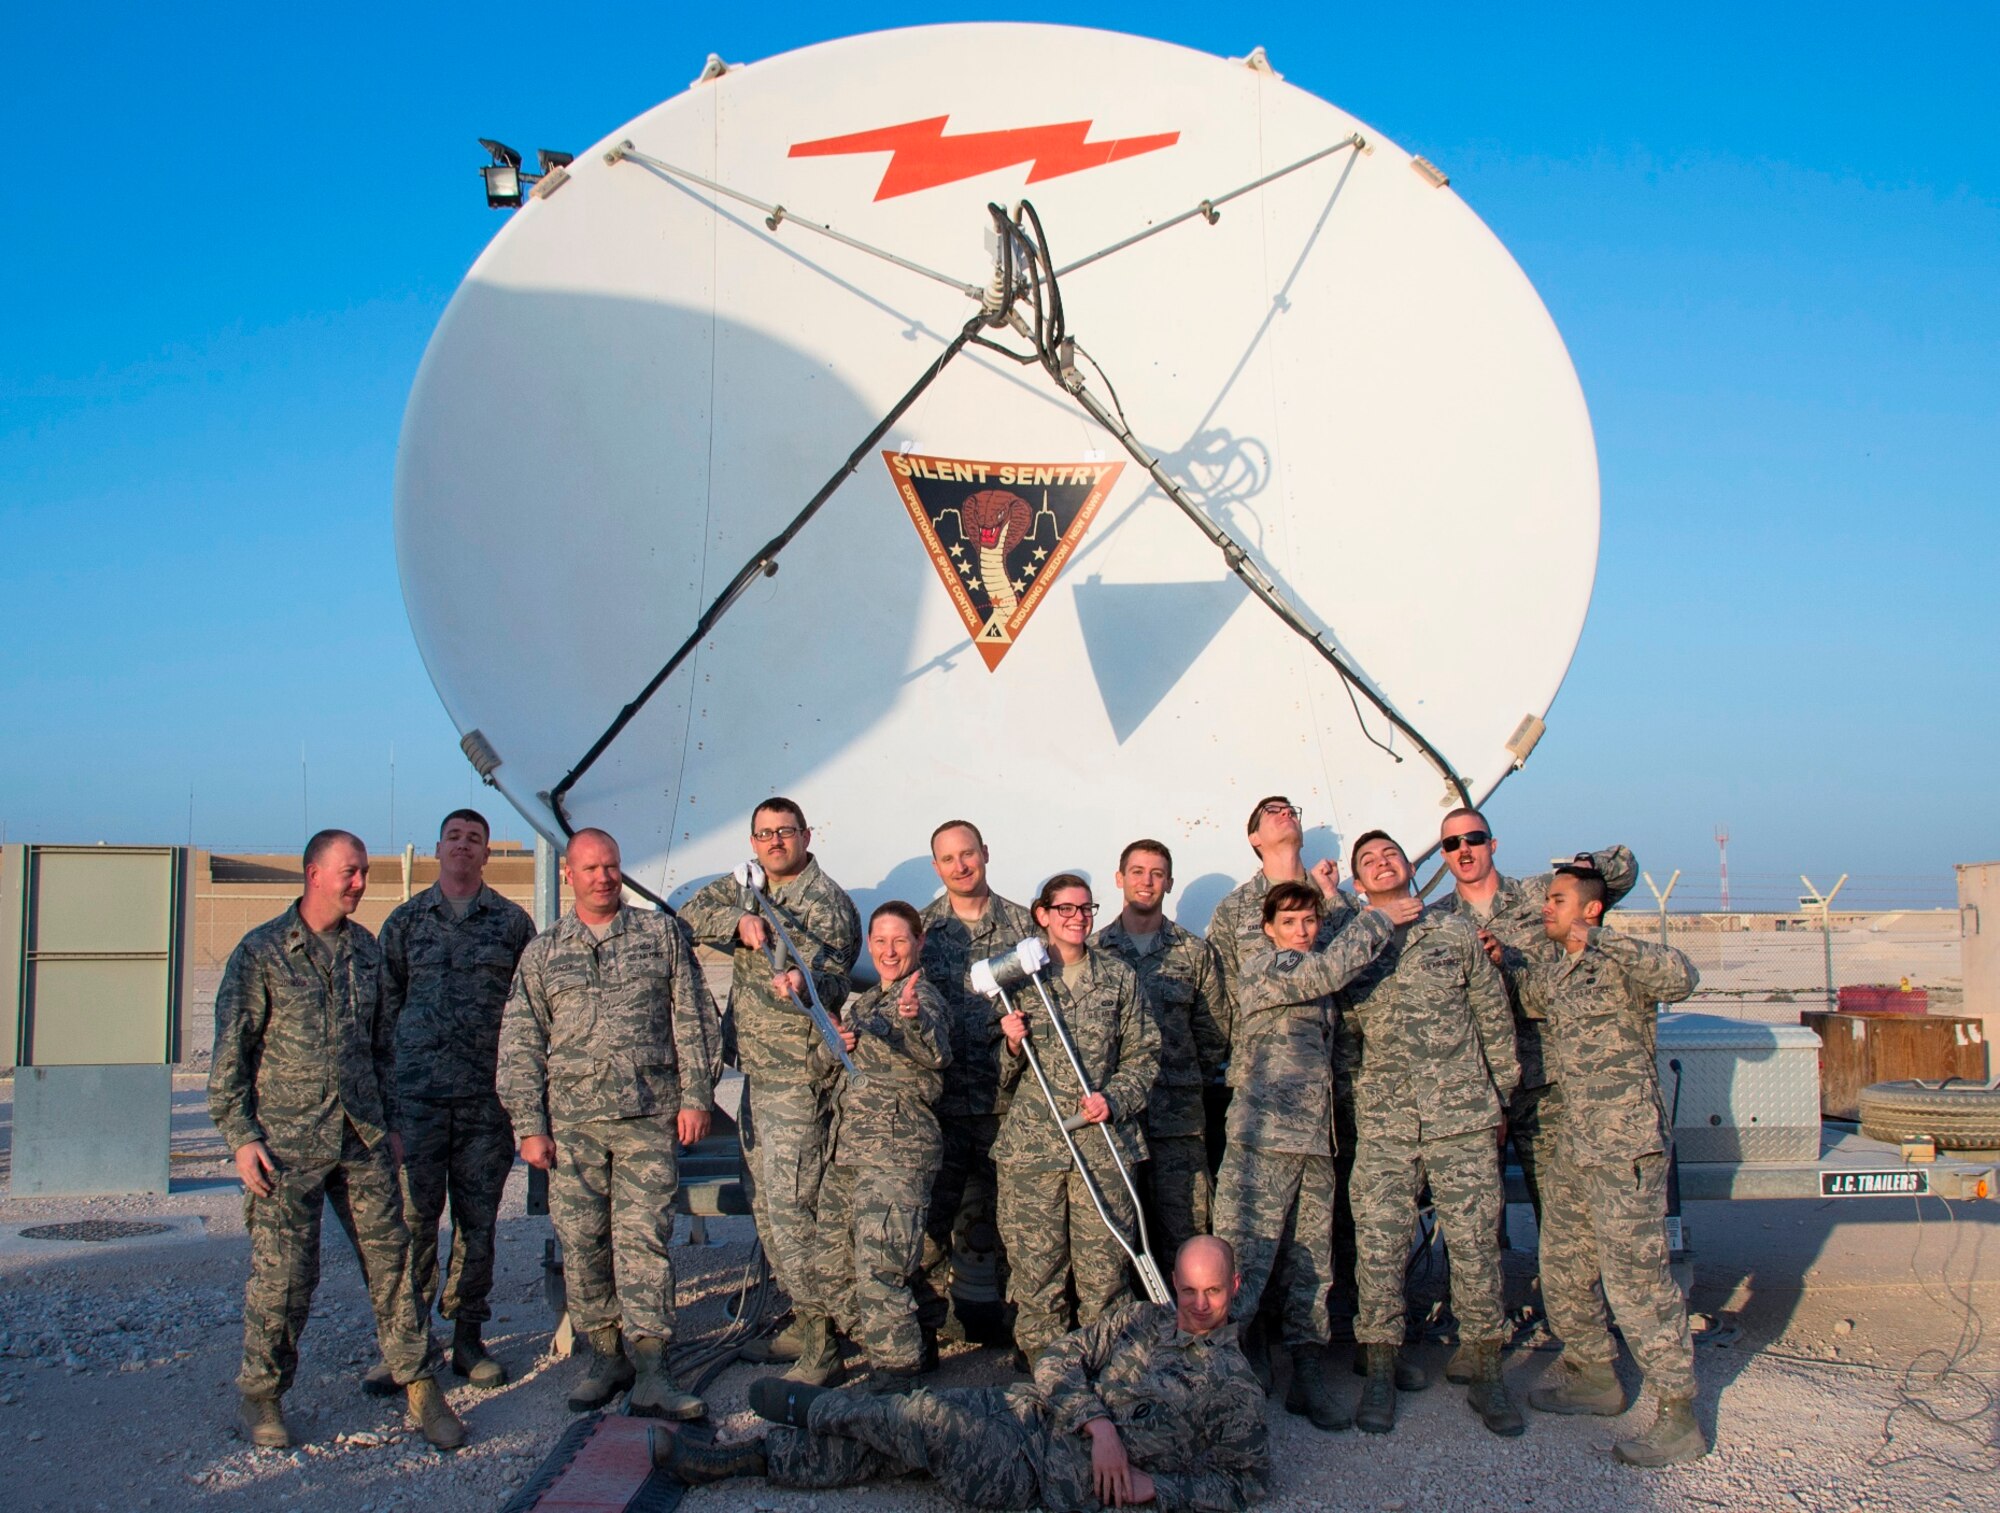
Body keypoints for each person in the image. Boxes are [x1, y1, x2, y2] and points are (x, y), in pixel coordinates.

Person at [655, 1236, 1269, 1512]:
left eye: (1213, 1292)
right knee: (888, 1449)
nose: (1198, 1305)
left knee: (926, 1418)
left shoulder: (1234, 1386)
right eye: (1189, 1289)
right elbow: (1057, 1360)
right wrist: (1099, 1425)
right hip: (1024, 1414)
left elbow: (1246, 1484)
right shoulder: (1139, 1320)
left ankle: (811, 1408)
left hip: (1038, 1474)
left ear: (1235, 1287)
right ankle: (742, 1460)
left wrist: (1158, 1489)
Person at [208, 829, 463, 1451]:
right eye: (349, 872)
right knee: (286, 1275)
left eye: (364, 872)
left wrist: (392, 1124)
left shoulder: (366, 952)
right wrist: (242, 1137)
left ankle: (420, 1384)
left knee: (394, 1263)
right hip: (285, 1145)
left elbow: (384, 1049)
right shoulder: (263, 952)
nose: (360, 883)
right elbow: (230, 1055)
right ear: (313, 874)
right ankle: (263, 1394)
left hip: (361, 1139)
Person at [497, 828, 720, 1419]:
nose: (604, 877)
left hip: (648, 1117)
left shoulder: (659, 935)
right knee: (583, 1243)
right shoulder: (543, 953)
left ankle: (652, 1368)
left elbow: (694, 1017)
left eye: (612, 866)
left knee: (644, 1242)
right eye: (591, 868)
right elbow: (521, 1041)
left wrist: (697, 1096)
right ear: (568, 875)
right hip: (574, 1128)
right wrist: (529, 1124)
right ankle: (605, 1357)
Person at [1427, 808, 1636, 1384]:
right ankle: (1481, 1339)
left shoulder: (1541, 897)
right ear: (1442, 855)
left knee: (1566, 1219)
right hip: (1477, 1091)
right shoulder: (1439, 920)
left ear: (1492, 844)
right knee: (1474, 1224)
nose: (1464, 849)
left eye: (1473, 838)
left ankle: (1586, 1346)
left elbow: (1620, 871)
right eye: (1452, 843)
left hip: (1547, 1085)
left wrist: (1582, 867)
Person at [1519, 865, 1708, 1466]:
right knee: (1563, 1264)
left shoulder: (1623, 963)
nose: (1546, 908)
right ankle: (1595, 1376)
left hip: (1625, 1145)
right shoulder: (1559, 973)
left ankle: (1679, 1413)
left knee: (1636, 1279)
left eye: (1557, 899)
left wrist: (1602, 940)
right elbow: (1525, 996)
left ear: (1591, 909)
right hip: (1576, 1143)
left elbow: (1682, 977)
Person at [1339, 830, 1522, 1437]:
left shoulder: (1455, 933)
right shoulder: (1354, 947)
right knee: (1380, 1247)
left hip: (1460, 1117)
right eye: (1369, 861)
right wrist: (1360, 1105)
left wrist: (1499, 1099)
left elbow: (1492, 1017)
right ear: (1358, 883)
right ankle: (1380, 1374)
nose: (1382, 863)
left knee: (1474, 1247)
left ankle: (1487, 1373)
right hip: (1387, 1123)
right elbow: (1345, 1041)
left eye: (1390, 854)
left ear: (1409, 866)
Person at [1215, 881, 1407, 1431]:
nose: (1301, 931)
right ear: (1269, 929)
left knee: (1311, 1270)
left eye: (1309, 920)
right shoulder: (1266, 967)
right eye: (1289, 921)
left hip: (1315, 1143)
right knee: (1243, 1267)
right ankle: (1216, 1382)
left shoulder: (1318, 975)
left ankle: (1307, 1374)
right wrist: (1379, 917)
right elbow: (1327, 969)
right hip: (1264, 1145)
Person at [679, 799, 861, 1373]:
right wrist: (737, 920)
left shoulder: (827, 903)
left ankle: (824, 1340)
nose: (775, 842)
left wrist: (804, 982)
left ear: (807, 835)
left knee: (793, 1209)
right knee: (765, 1202)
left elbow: (836, 981)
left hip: (797, 1076)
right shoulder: (747, 888)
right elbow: (687, 915)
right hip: (756, 1073)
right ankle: (806, 1320)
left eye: (785, 832)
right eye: (764, 834)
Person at [358, 808, 535, 1394]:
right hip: (418, 1103)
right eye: (454, 837)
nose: (463, 846)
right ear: (438, 849)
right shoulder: (406, 923)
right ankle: (407, 1345)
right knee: (412, 1223)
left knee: (477, 1224)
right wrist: (387, 1110)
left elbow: (529, 1014)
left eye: (474, 839)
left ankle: (467, 1338)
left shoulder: (511, 924)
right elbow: (383, 1018)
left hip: (486, 1103)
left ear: (486, 853)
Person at [994, 874, 1161, 1366]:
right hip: (1033, 1147)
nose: (1077, 918)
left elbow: (1145, 1053)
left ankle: (1105, 1366)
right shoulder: (1017, 980)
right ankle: (1046, 1369)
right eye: (1065, 909)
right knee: (1036, 1269)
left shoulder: (1118, 977)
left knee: (1104, 1269)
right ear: (1042, 915)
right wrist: (1010, 1044)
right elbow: (993, 1073)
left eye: (1086, 909)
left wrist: (1115, 1098)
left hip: (1102, 1143)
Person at [794, 902, 952, 1391]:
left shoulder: (922, 999)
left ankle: (896, 1380)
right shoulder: (864, 1005)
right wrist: (832, 1044)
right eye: (880, 941)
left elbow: (936, 1051)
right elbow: (821, 1071)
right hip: (849, 1154)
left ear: (919, 943)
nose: (889, 951)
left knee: (881, 1271)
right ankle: (902, 1348)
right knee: (830, 1269)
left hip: (895, 1155)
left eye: (900, 940)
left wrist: (913, 1020)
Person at [915, 820, 1037, 1346]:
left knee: (1017, 1224)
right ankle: (921, 1334)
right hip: (942, 1107)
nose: (961, 866)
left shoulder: (1024, 927)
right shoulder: (923, 931)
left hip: (1006, 1105)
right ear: (936, 866)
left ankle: (1023, 1337)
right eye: (948, 859)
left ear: (985, 852)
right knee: (929, 1227)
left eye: (968, 854)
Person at [1094, 839, 1228, 1257]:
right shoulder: (1095, 952)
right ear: (1119, 878)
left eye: (1157, 874)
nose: (1147, 882)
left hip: (1178, 1122)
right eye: (1137, 872)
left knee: (1185, 1234)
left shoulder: (1193, 952)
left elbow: (1214, 1032)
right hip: (1115, 1121)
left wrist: (1184, 1081)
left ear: (1169, 883)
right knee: (1113, 1241)